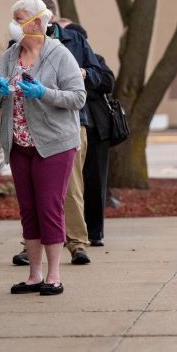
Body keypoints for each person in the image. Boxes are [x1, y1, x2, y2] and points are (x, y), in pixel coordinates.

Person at [0, 0, 86, 296]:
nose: (14, 24)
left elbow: (77, 97)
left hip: (54, 143)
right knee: (28, 209)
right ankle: (34, 275)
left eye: (19, 19)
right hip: (19, 143)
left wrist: (44, 92)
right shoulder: (10, 56)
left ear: (36, 23)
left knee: (49, 206)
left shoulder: (58, 54)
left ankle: (54, 275)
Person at [9, 0, 105, 266]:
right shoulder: (14, 49)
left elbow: (100, 77)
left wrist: (81, 74)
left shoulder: (72, 43)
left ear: (43, 18)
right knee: (33, 199)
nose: (16, 25)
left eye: (22, 19)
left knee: (68, 190)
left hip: (67, 128)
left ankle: (76, 242)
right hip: (27, 133)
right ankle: (31, 249)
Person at [68, 23, 115, 249]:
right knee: (73, 185)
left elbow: (108, 81)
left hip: (96, 127)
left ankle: (95, 232)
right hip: (71, 126)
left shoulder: (95, 60)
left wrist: (84, 75)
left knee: (95, 182)